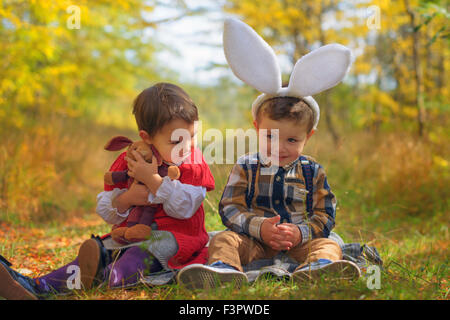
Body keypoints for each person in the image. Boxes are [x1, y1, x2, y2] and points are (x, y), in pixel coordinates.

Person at [176, 18, 361, 289]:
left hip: (299, 244)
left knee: (328, 244)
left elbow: (325, 214)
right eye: (270, 136)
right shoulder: (247, 166)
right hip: (255, 242)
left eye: (292, 139)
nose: (280, 147)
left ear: (308, 137)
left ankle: (318, 268)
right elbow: (230, 207)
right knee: (223, 240)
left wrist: (300, 233)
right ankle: (223, 271)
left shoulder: (312, 171)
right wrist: (259, 228)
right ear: (256, 128)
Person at [0, 82, 214, 299]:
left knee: (136, 258)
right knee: (100, 252)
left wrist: (153, 180)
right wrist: (126, 199)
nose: (187, 146)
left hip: (177, 238)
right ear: (147, 137)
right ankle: (36, 285)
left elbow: (186, 208)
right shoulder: (130, 159)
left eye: (192, 135)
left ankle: (100, 279)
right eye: (177, 140)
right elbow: (105, 207)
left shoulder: (193, 163)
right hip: (129, 234)